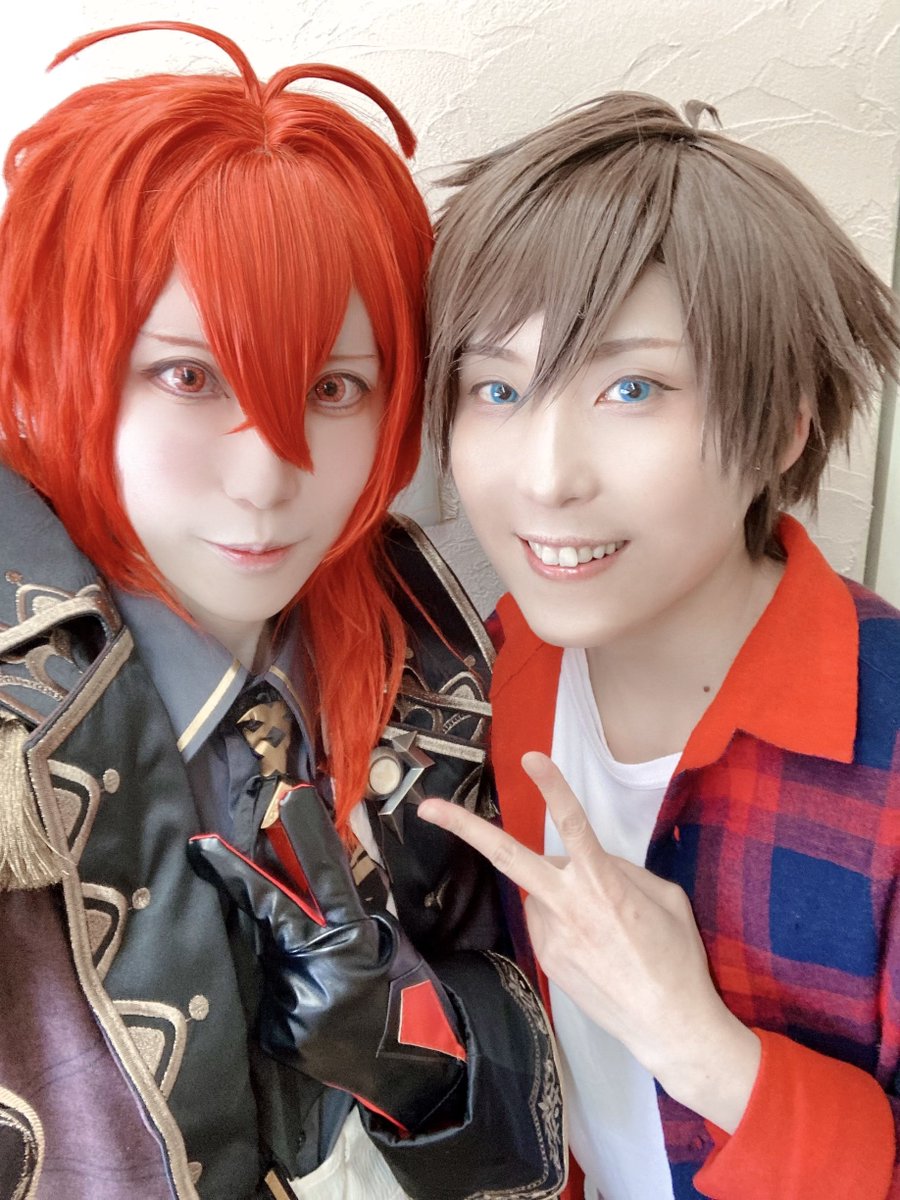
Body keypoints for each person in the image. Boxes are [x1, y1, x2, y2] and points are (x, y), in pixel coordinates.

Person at [0, 21, 565, 1200]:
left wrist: (419, 1059)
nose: (268, 475)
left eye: (333, 387)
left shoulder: (426, 646)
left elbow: (511, 1054)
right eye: (188, 375)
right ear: (59, 360)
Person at [419, 91, 900, 1200]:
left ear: (782, 422)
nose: (547, 477)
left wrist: (703, 1049)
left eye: (632, 389)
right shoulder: (482, 670)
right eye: (497, 387)